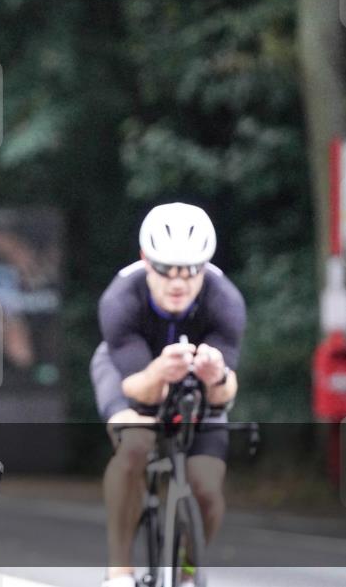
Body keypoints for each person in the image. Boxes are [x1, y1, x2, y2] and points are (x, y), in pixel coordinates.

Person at [90, 203, 246, 587]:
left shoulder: (225, 301)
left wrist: (216, 377)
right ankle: (119, 571)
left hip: (196, 383)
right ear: (146, 261)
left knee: (207, 489)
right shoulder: (120, 298)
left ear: (205, 267)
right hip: (131, 373)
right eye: (165, 270)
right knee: (134, 447)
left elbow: (224, 397)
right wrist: (159, 371)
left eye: (190, 271)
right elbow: (136, 390)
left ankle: (188, 572)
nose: (178, 283)